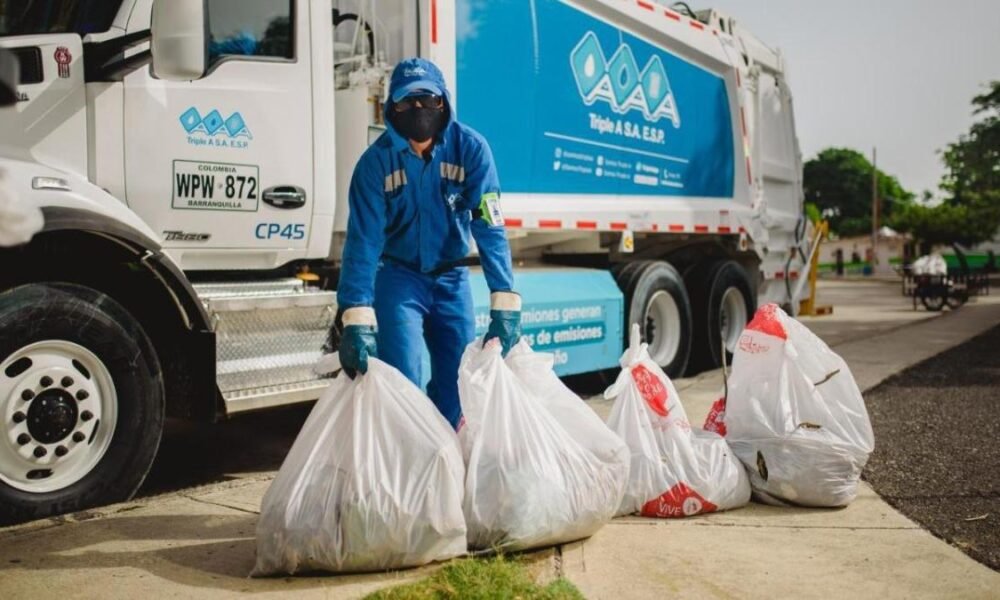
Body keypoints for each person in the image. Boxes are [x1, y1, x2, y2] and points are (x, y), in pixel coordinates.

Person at [324, 58, 521, 429]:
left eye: (426, 99)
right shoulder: (375, 165)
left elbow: (489, 224)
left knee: (457, 383)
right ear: (391, 107)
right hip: (399, 279)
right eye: (406, 102)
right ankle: (411, 467)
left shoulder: (471, 151)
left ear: (442, 102)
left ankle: (446, 465)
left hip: (451, 280)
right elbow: (363, 242)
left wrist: (504, 299)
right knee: (403, 380)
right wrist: (355, 315)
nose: (418, 110)